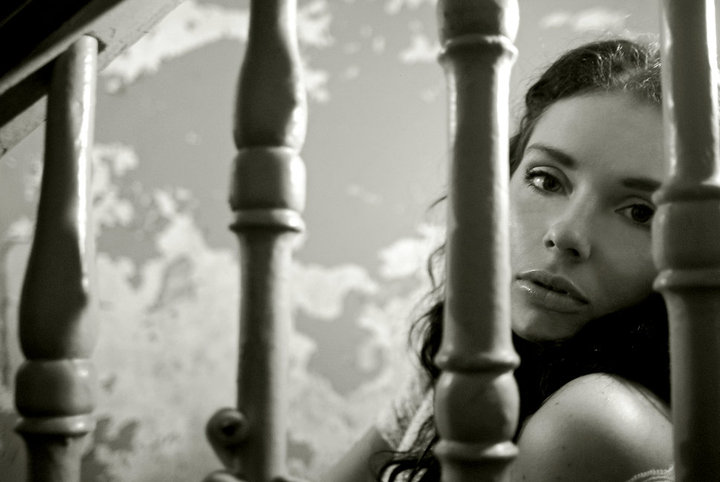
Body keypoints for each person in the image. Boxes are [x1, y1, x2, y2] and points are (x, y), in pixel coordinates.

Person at [321, 38, 674, 482]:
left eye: (639, 212)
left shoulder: (592, 419)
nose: (566, 234)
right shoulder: (479, 355)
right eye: (546, 180)